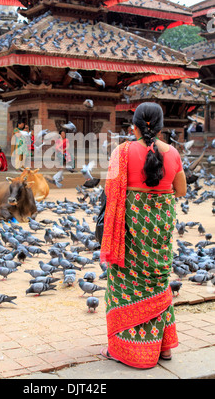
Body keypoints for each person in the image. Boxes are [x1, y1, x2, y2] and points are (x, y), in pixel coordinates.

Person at [100, 102, 187, 369]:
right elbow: (180, 191)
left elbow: (109, 191)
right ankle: (163, 348)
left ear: (133, 127)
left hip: (129, 233)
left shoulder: (122, 151)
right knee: (159, 281)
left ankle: (127, 349)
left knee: (124, 285)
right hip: (159, 231)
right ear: (161, 127)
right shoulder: (172, 153)